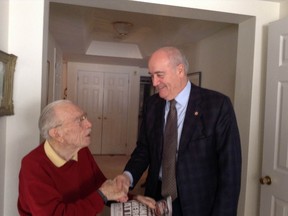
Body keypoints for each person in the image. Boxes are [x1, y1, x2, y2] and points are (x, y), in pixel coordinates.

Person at [117, 46, 242, 215]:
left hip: (199, 201)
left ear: (180, 70)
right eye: (152, 76)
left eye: (159, 75)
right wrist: (127, 176)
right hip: (156, 197)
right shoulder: (152, 105)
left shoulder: (217, 105)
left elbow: (230, 170)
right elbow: (144, 149)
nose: (154, 83)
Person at [18, 100, 130, 215]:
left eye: (85, 117)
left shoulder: (81, 150)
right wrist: (103, 194)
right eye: (79, 120)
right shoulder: (33, 166)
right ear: (57, 134)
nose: (89, 124)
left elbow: (99, 184)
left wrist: (131, 198)